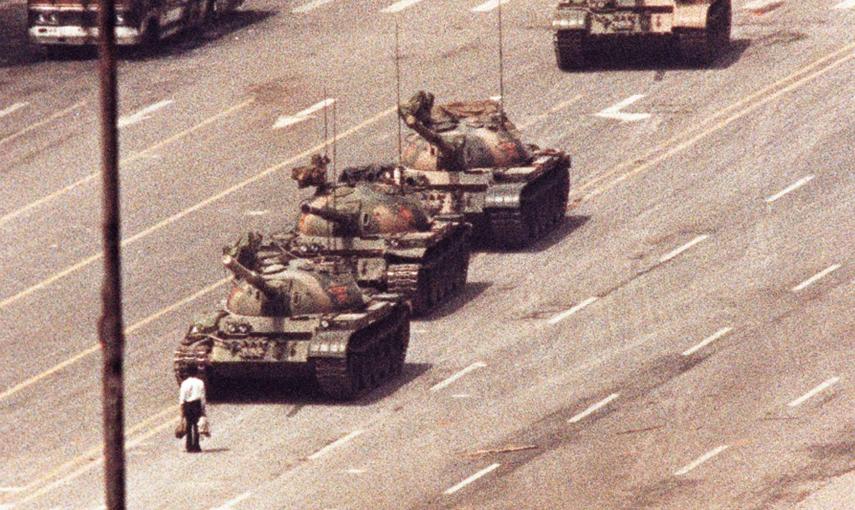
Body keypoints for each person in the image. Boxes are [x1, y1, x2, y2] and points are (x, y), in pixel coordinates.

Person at [178, 365, 206, 452]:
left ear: (187, 372)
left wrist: (181, 411)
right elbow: (202, 397)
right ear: (197, 372)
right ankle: (196, 446)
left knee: (188, 426)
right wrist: (203, 409)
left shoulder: (184, 383)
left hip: (187, 405)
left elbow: (182, 398)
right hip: (196, 404)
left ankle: (188, 446)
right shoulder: (200, 382)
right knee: (197, 426)